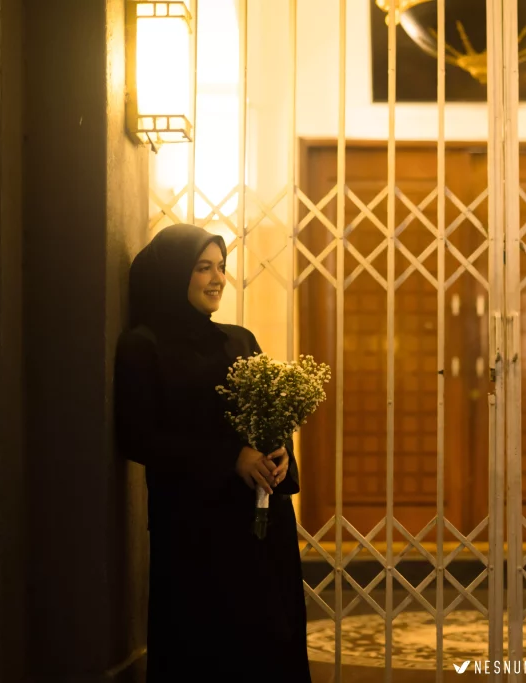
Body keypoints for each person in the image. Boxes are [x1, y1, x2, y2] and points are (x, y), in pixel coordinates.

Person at [114, 224, 310, 681]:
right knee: (205, 644)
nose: (218, 278)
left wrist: (280, 451)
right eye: (203, 268)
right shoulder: (143, 346)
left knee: (269, 639)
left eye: (221, 267)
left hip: (259, 523)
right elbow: (137, 436)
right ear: (173, 274)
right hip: (194, 527)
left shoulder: (239, 340)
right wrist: (230, 459)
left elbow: (269, 415)